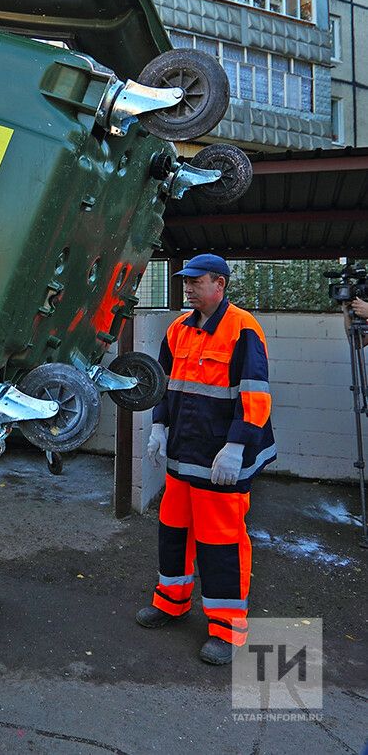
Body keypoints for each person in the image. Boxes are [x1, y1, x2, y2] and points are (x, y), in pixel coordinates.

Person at [138, 253, 276, 665]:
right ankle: (170, 601)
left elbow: (255, 393)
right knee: (173, 530)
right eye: (187, 281)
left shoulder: (243, 328)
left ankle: (227, 628)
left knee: (221, 542)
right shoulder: (178, 328)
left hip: (222, 459)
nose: (189, 286)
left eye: (197, 281)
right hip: (184, 453)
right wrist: (159, 427)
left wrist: (236, 446)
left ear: (220, 283)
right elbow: (162, 384)